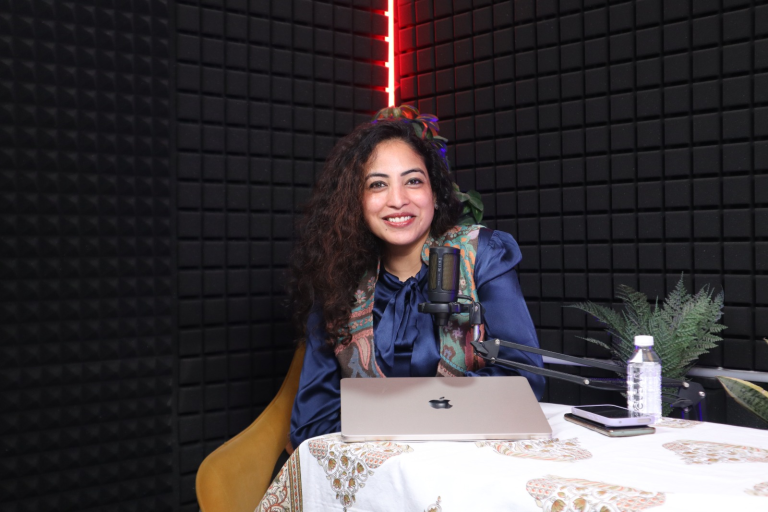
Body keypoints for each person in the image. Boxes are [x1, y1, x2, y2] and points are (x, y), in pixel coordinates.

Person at [287, 106, 545, 449]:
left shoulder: (480, 255)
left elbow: (524, 381)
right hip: (379, 473)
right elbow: (313, 423)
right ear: (356, 202)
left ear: (434, 194)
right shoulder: (337, 279)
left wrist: (383, 414)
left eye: (413, 181)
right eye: (377, 184)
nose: (398, 200)